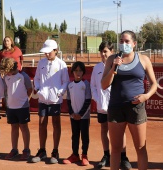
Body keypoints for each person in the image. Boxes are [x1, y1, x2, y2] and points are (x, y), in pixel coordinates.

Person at [101, 30, 157, 170]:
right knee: (115, 149)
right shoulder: (111, 59)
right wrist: (114, 67)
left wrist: (146, 96)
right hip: (116, 108)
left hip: (136, 109)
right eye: (121, 41)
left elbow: (154, 84)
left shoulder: (143, 59)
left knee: (140, 148)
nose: (123, 44)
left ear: (134, 44)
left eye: (127, 41)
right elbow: (104, 85)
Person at [91, 41, 132, 169]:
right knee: (104, 130)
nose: (103, 54)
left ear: (111, 52)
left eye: (106, 52)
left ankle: (124, 157)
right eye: (101, 52)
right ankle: (106, 155)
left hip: (115, 105)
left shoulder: (119, 66)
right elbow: (93, 86)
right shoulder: (96, 68)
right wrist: (97, 99)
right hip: (102, 107)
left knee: (120, 132)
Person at [32, 39, 70, 164]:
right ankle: (42, 150)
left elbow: (65, 82)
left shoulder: (61, 64)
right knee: (42, 124)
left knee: (56, 124)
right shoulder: (41, 63)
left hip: (55, 101)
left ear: (56, 51)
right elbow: (37, 78)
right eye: (45, 52)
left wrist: (59, 93)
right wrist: (37, 88)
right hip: (43, 99)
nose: (46, 54)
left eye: (49, 52)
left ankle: (55, 151)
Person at [0, 57, 33, 160]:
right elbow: (6, 90)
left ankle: (26, 150)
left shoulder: (23, 76)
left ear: (12, 68)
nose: (5, 73)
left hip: (22, 107)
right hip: (11, 107)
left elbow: (30, 90)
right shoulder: (6, 78)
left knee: (24, 128)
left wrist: (25, 101)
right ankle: (14, 149)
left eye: (7, 71)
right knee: (14, 128)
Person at [63, 61, 91, 166]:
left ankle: (84, 155)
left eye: (80, 71)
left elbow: (88, 100)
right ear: (72, 72)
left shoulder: (86, 84)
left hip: (84, 116)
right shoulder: (70, 85)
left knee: (84, 136)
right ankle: (75, 155)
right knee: (75, 136)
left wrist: (81, 114)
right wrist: (72, 113)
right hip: (73, 116)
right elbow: (69, 101)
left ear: (83, 72)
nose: (78, 73)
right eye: (76, 71)